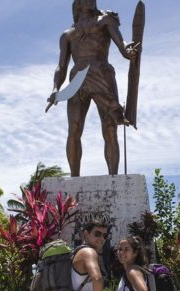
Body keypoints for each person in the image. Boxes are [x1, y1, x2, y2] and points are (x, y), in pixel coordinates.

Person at [47, 0, 139, 177]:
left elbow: (122, 44)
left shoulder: (105, 21)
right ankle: (75, 178)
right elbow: (61, 67)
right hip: (77, 80)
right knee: (74, 128)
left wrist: (128, 50)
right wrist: (55, 88)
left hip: (102, 73)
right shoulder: (68, 35)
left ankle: (113, 177)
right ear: (78, 3)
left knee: (110, 126)